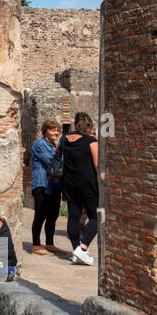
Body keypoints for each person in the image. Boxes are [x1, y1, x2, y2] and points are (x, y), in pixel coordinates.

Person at [60, 112, 100, 266]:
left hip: (69, 183)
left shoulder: (65, 139)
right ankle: (82, 249)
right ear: (89, 126)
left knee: (73, 217)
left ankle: (76, 251)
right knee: (96, 217)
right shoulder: (91, 141)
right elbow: (97, 165)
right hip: (87, 184)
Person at [29, 119, 62, 255]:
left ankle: (49, 243)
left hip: (55, 184)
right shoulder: (40, 145)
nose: (56, 133)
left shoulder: (55, 146)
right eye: (53, 130)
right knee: (40, 215)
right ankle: (36, 245)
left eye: (57, 130)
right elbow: (51, 162)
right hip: (42, 184)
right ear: (46, 131)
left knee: (53, 215)